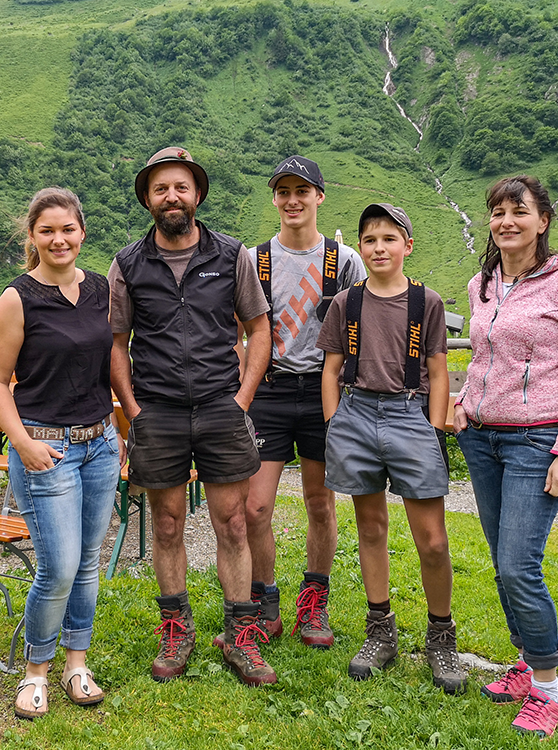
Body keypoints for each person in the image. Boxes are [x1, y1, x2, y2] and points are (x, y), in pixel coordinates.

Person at [108, 147, 277, 686]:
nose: (171, 197)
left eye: (181, 187)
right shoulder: (128, 264)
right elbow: (117, 344)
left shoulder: (232, 257)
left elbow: (259, 330)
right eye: (160, 189)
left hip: (220, 408)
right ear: (148, 200)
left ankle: (241, 635)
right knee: (166, 522)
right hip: (156, 411)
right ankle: (176, 629)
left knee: (232, 521)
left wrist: (242, 400)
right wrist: (133, 410)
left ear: (197, 194)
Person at [453, 175, 558, 738]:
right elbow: (481, 357)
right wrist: (467, 401)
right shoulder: (483, 284)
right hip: (484, 439)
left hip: (537, 441)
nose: (506, 221)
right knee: (502, 561)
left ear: (543, 220)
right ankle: (524, 664)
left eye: (519, 210)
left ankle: (547, 689)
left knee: (520, 564)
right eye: (497, 211)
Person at [0, 187, 123, 720]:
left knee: (87, 563)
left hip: (100, 442)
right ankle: (35, 670)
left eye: (67, 229)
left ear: (82, 232)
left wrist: (123, 431)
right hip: (47, 447)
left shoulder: (101, 290)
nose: (59, 239)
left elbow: (112, 358)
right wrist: (23, 443)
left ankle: (76, 664)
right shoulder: (16, 298)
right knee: (58, 566)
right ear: (32, 238)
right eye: (47, 231)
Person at [317, 203, 466, 693]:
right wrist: (335, 421)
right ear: (361, 247)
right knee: (371, 527)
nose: (378, 248)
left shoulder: (428, 303)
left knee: (434, 539)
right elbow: (332, 369)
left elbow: (440, 371)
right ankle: (380, 630)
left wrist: (435, 430)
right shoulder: (347, 302)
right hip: (356, 413)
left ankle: (441, 635)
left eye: (388, 238)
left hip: (410, 414)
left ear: (407, 244)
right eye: (369, 240)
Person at [238, 155, 366, 649]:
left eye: (302, 191)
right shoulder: (253, 260)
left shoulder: (345, 260)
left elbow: (362, 322)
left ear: (319, 196)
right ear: (274, 198)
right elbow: (237, 330)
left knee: (319, 501)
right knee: (256, 506)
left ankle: (314, 605)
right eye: (283, 192)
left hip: (323, 392)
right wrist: (244, 379)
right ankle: (263, 599)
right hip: (268, 391)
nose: (293, 201)